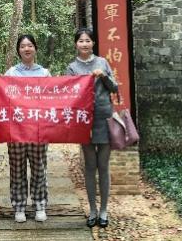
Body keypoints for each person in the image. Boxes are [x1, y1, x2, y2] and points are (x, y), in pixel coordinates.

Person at [66, 28, 118, 229]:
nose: (84, 44)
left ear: (93, 43)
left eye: (88, 40)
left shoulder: (102, 62)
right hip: (84, 121)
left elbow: (114, 88)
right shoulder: (72, 67)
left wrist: (103, 76)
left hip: (104, 117)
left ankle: (104, 210)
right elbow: (68, 95)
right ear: (76, 44)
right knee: (89, 166)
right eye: (81, 41)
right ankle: (92, 210)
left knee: (103, 166)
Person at [4, 34, 52, 223]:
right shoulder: (11, 73)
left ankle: (40, 205)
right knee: (17, 169)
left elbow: (52, 99)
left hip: (38, 129)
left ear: (35, 49)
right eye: (23, 46)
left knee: (39, 167)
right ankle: (19, 206)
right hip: (16, 130)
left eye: (30, 45)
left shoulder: (44, 74)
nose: (26, 49)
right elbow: (3, 97)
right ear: (18, 50)